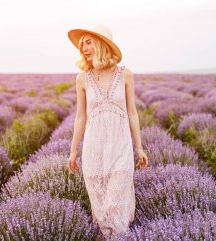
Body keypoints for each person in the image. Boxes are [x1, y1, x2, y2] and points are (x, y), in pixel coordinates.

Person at [66, 24, 148, 240]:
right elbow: (80, 117)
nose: (83, 47)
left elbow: (132, 113)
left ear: (102, 44)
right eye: (82, 43)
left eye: (88, 42)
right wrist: (73, 151)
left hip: (120, 150)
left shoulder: (125, 75)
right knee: (102, 212)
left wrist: (139, 148)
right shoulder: (82, 79)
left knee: (115, 208)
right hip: (94, 152)